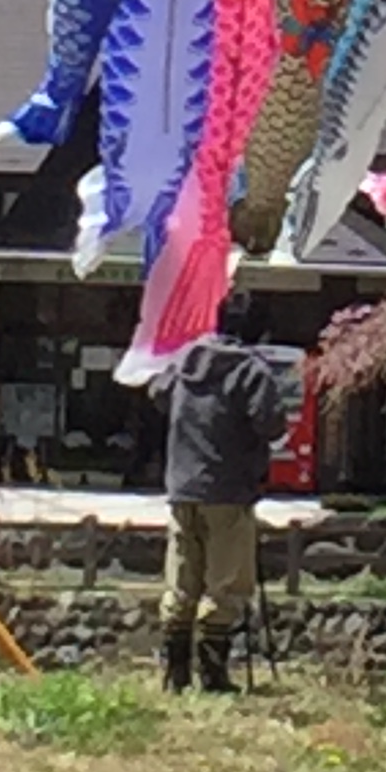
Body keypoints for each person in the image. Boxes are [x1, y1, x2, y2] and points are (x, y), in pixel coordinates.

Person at [149, 293, 289, 694]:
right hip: (228, 489)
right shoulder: (250, 371)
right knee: (225, 584)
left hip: (182, 486)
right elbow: (272, 424)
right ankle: (212, 676)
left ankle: (174, 675)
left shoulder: (183, 361)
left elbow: (157, 395)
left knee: (181, 580)